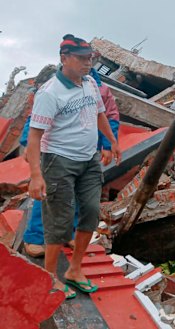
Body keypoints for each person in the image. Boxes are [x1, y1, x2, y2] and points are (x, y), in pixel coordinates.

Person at [27, 34, 121, 299]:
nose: (87, 63)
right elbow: (33, 137)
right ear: (64, 58)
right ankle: (50, 278)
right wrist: (36, 175)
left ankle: (75, 270)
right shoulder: (50, 93)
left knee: (90, 211)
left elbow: (100, 114)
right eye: (81, 59)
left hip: (88, 159)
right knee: (59, 220)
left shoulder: (90, 83)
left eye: (89, 58)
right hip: (58, 160)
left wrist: (112, 142)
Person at [21, 62, 120, 258]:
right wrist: (28, 144)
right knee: (49, 195)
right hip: (56, 152)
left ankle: (69, 233)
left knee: (78, 196)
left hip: (85, 153)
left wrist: (108, 146)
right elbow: (35, 121)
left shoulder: (99, 89)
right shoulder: (54, 86)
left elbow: (110, 117)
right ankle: (35, 237)